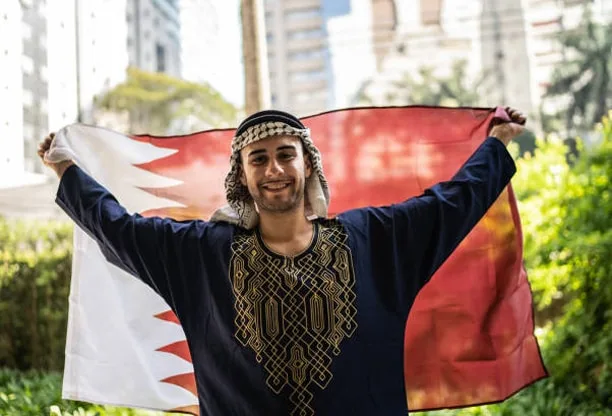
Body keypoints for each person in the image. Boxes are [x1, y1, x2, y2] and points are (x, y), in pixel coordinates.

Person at [38, 108, 526, 416]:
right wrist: (66, 168)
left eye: (285, 155)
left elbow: (451, 205)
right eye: (258, 159)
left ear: (307, 164)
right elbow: (119, 227)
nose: (274, 170)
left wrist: (497, 143)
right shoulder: (201, 256)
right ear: (243, 177)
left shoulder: (374, 241)